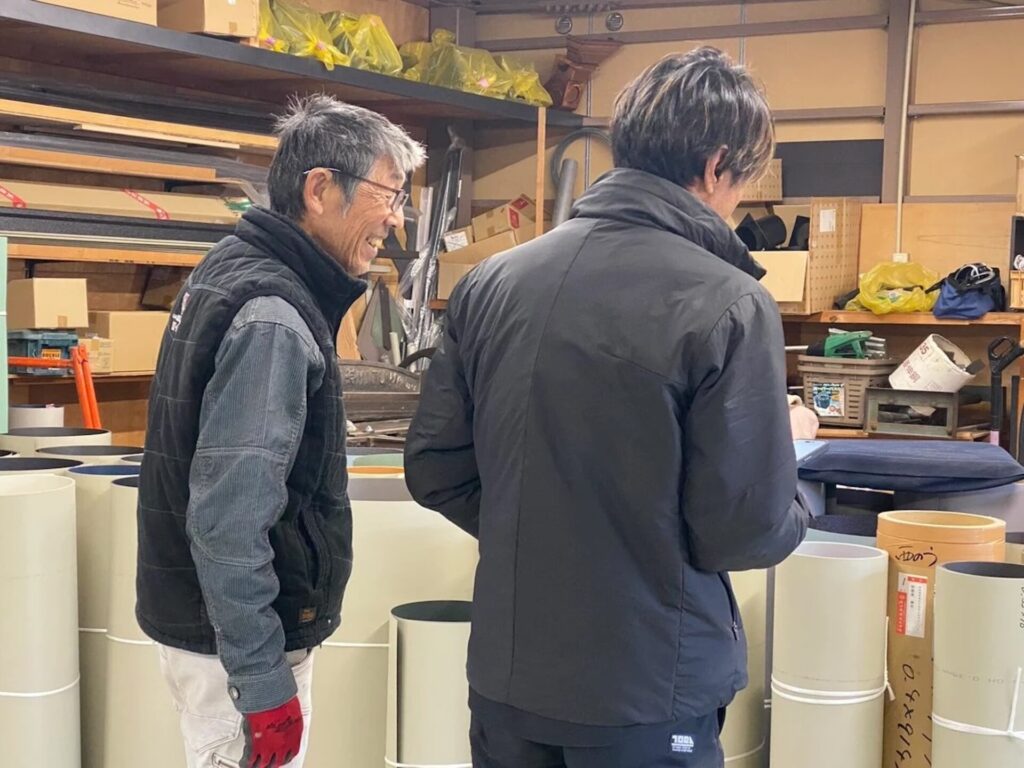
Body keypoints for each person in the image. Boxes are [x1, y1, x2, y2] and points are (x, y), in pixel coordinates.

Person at [405, 47, 808, 768]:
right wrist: (793, 464)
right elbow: (743, 530)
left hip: (509, 680)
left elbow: (436, 467)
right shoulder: (729, 302)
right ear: (717, 165)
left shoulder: (491, 281)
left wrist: (545, 526)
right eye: (743, 183)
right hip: (646, 688)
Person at [136, 94, 424, 768]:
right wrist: (263, 685)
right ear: (320, 190)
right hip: (236, 652)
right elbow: (230, 521)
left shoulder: (229, 265)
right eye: (388, 193)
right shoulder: (271, 314)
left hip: (214, 635)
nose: (397, 217)